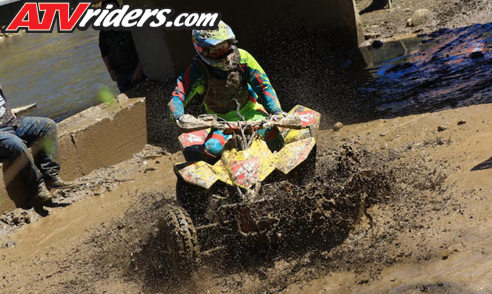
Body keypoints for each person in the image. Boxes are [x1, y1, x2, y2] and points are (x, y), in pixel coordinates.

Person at [168, 21, 286, 161]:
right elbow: (178, 96)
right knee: (212, 150)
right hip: (220, 122)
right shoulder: (197, 71)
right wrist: (180, 117)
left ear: (230, 41)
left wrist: (276, 111)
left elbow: (264, 87)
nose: (222, 52)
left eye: (224, 46)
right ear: (202, 50)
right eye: (215, 49)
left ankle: (285, 164)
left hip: (251, 114)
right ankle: (221, 181)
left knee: (271, 133)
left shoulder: (244, 58)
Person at [0, 84, 71, 208]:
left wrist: (10, 111)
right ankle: (37, 187)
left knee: (48, 125)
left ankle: (51, 175)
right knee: (16, 143)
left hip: (12, 123)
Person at [98, 0, 144, 93]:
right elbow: (104, 53)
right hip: (120, 74)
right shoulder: (104, 32)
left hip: (136, 69)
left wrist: (139, 69)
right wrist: (110, 71)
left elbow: (143, 48)